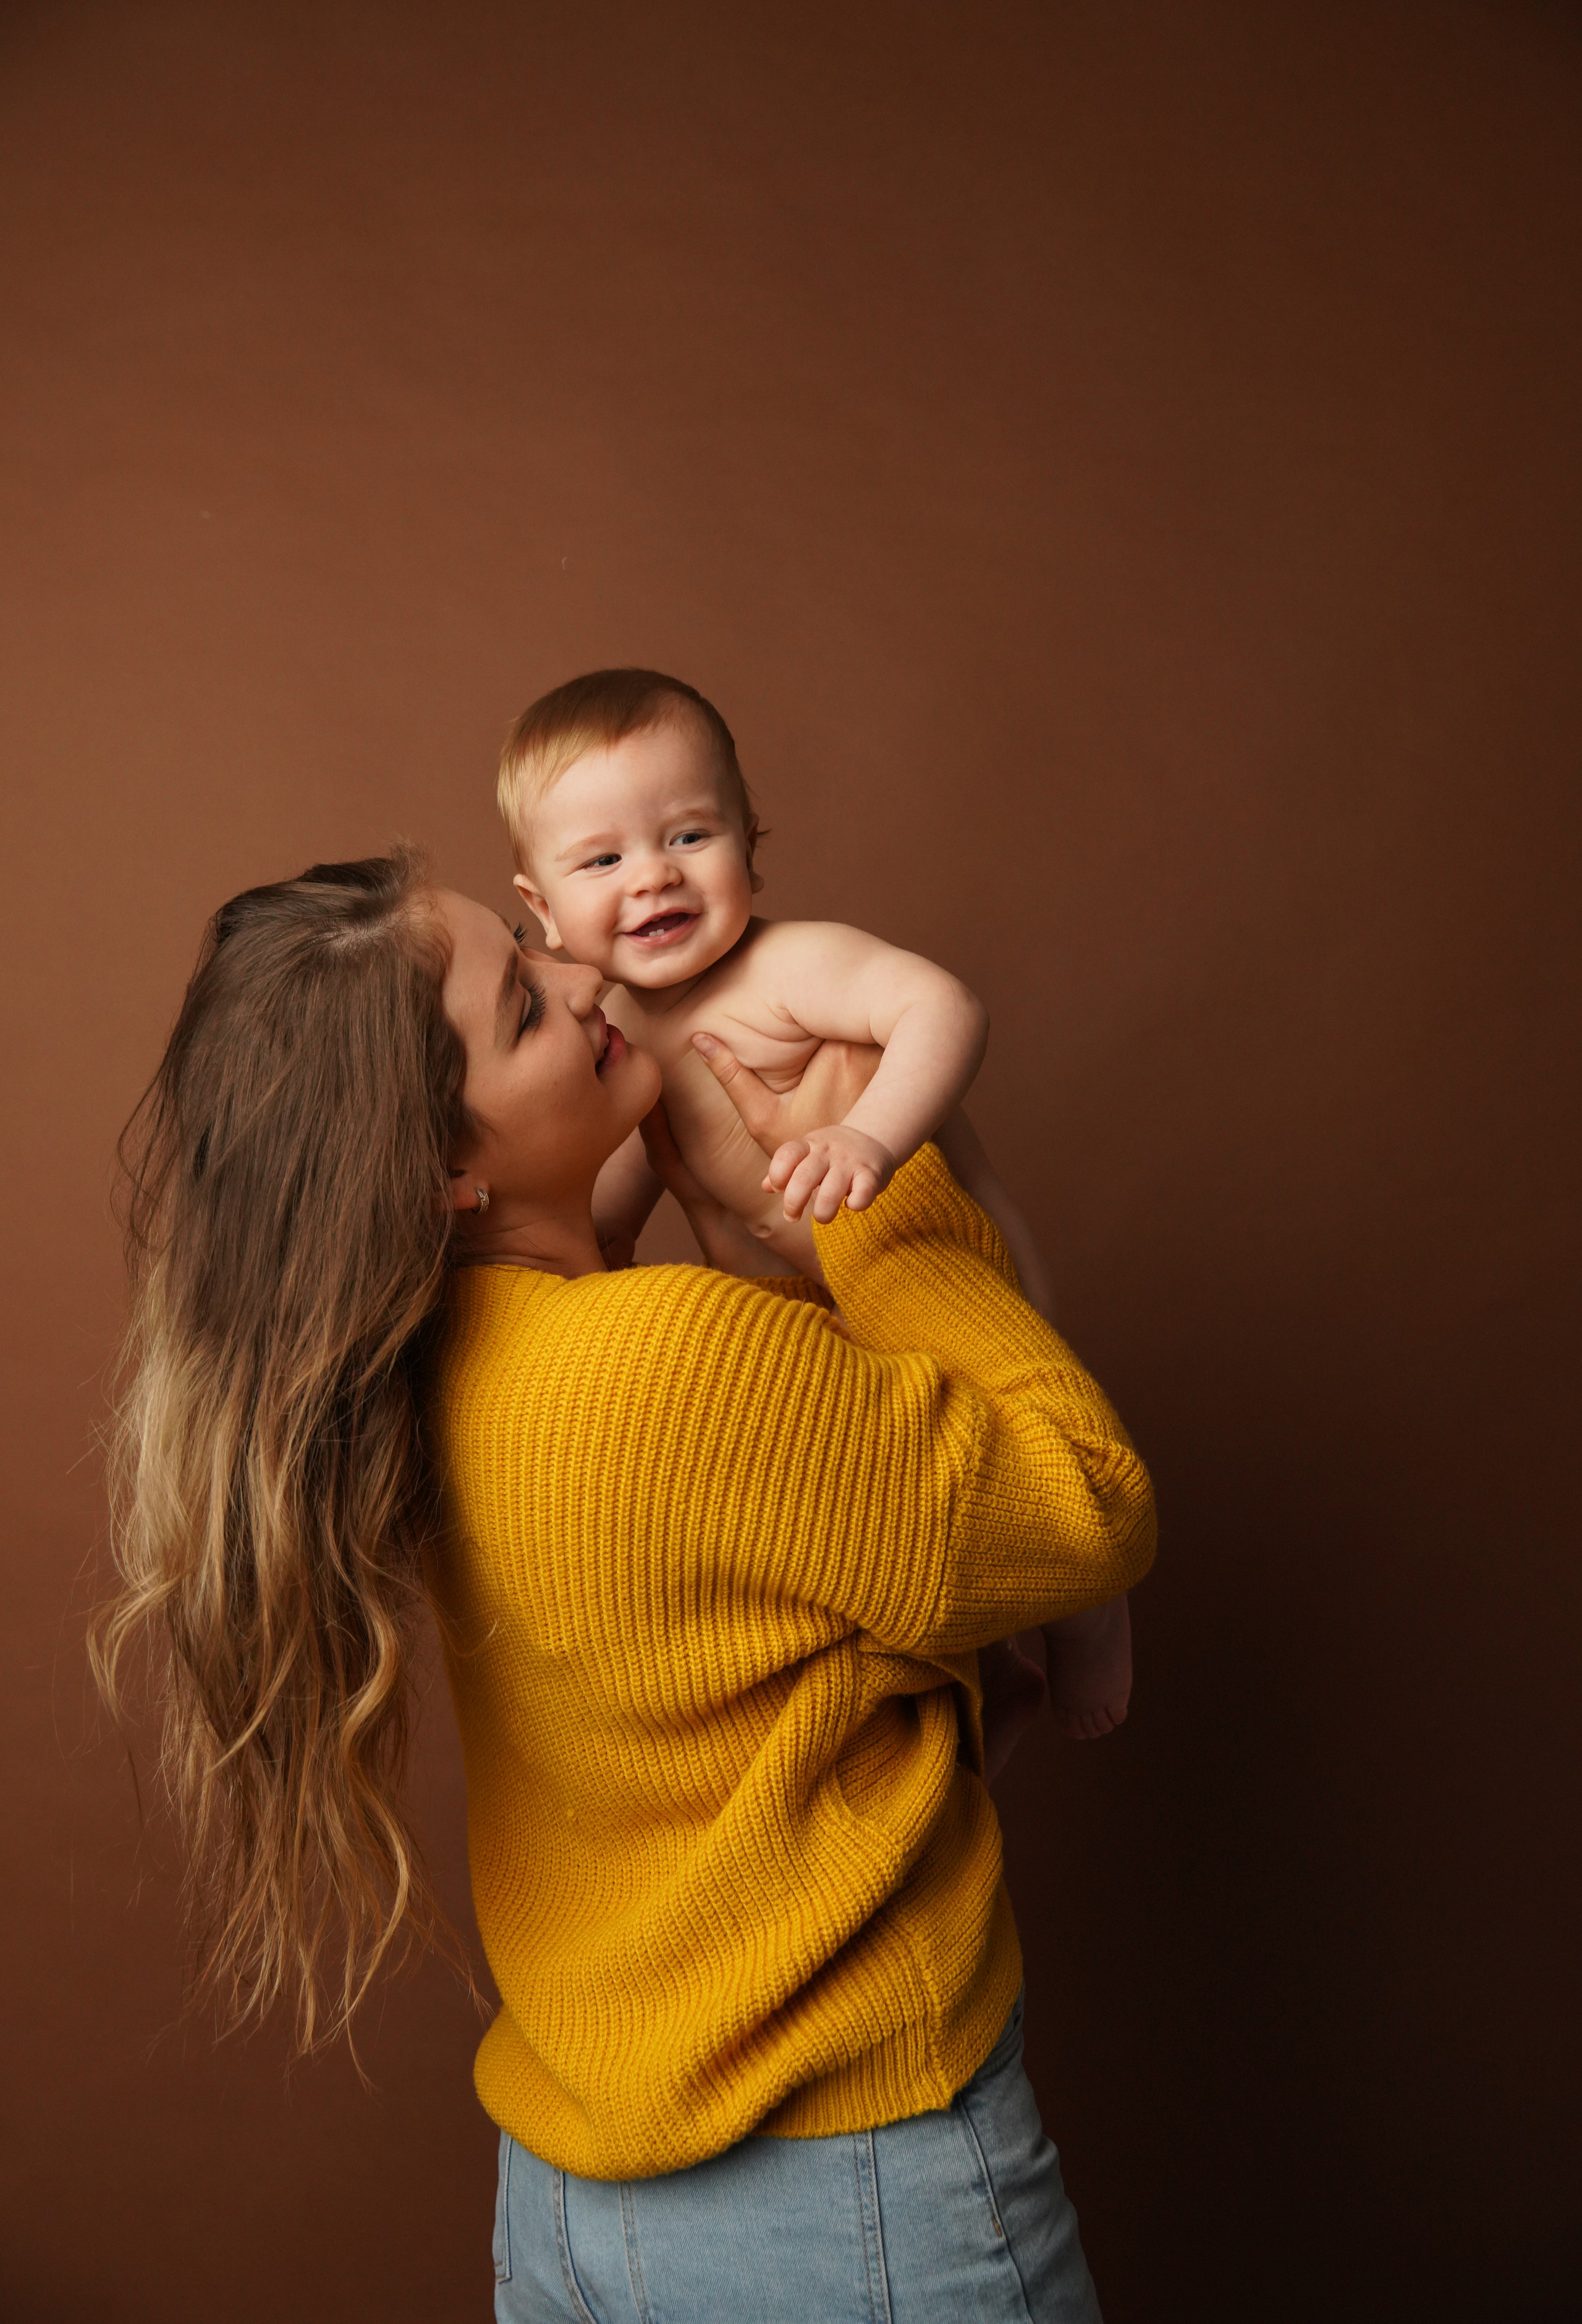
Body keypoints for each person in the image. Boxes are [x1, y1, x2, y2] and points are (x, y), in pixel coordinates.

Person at [97, 848, 1156, 2323]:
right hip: (847, 2209)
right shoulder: (668, 1368)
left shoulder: (433, 1369)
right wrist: (866, 1206)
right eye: (526, 1008)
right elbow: (1088, 1508)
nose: (595, 976)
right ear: (441, 1172)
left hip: (575, 2209)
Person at [499, 667, 1132, 1744]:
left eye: (689, 837)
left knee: (1031, 1485)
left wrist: (869, 1136)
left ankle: (1094, 1631)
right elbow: (644, 1164)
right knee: (917, 1526)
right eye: (603, 860)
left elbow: (944, 1004)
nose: (653, 878)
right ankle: (996, 1682)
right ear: (542, 909)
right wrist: (593, 1240)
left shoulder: (790, 966)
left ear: (751, 837)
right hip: (820, 1324)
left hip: (945, 1275)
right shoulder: (617, 1034)